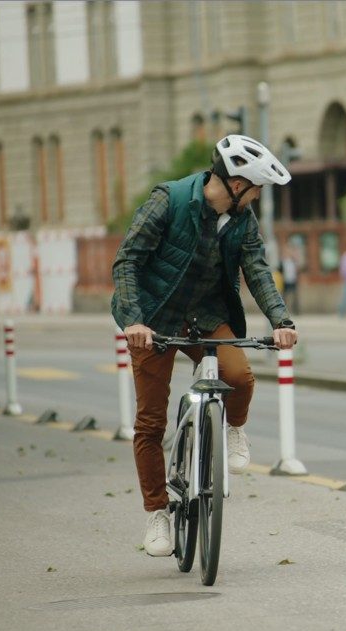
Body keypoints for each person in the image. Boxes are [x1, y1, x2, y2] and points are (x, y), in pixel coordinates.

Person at [111, 134, 298, 558]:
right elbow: (128, 260)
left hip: (208, 315)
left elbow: (258, 271)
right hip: (153, 319)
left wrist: (281, 321)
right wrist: (134, 320)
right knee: (150, 422)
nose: (256, 198)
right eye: (256, 189)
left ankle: (232, 429)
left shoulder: (242, 221)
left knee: (239, 377)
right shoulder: (169, 200)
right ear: (235, 184)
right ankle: (158, 512)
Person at [279, 246, 300, 315]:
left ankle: (296, 311)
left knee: (295, 297)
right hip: (285, 281)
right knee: (284, 297)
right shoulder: (283, 262)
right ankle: (283, 311)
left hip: (293, 281)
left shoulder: (293, 261)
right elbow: (279, 271)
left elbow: (297, 269)